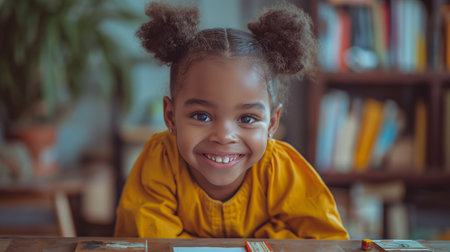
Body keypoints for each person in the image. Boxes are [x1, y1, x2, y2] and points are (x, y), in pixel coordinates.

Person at [114, 1, 349, 239]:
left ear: (272, 123)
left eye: (247, 118)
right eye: (202, 116)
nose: (224, 135)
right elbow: (150, 241)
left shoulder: (281, 169)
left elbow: (325, 241)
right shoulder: (161, 160)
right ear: (170, 117)